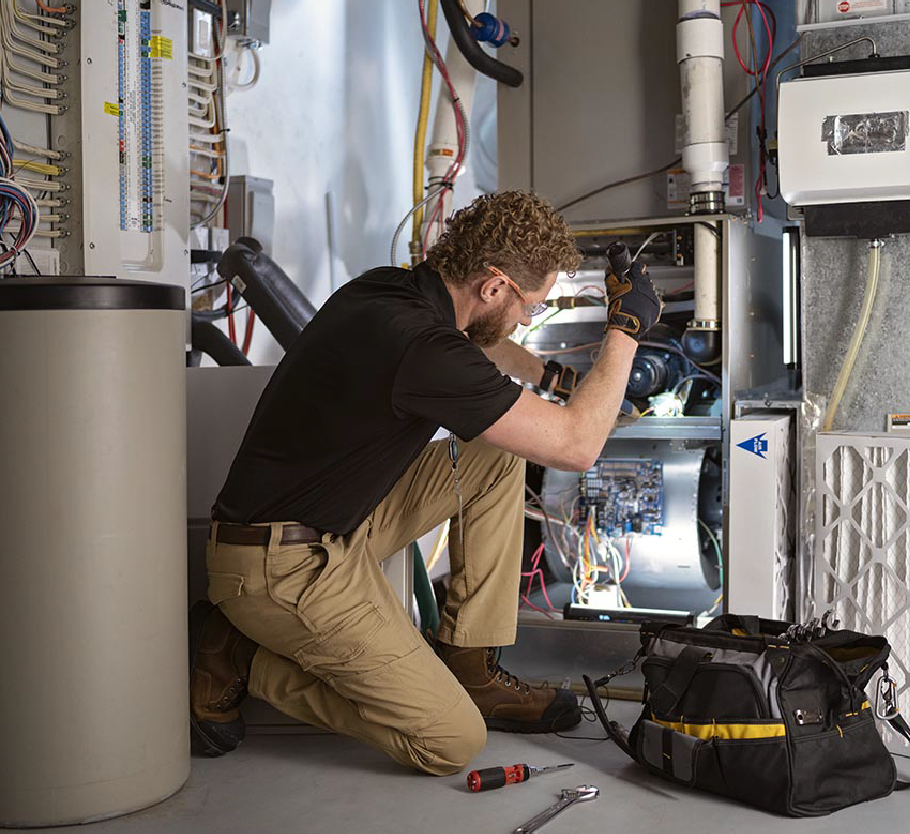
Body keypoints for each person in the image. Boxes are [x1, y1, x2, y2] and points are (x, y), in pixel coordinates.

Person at [189, 190, 662, 775]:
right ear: (494, 286)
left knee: (495, 458)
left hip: (330, 522)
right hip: (281, 567)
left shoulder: (390, 290)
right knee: (450, 741)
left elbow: (487, 344)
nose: (526, 319)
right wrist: (625, 329)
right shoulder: (423, 348)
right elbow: (576, 447)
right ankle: (243, 655)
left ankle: (470, 665)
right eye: (529, 306)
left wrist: (554, 378)